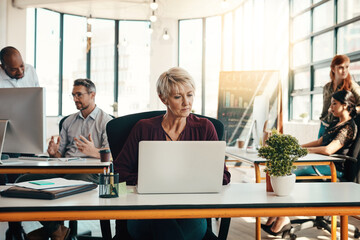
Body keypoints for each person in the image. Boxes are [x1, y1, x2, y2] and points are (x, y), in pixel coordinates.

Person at [113, 67, 231, 240]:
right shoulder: (144, 128)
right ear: (163, 98)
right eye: (178, 97)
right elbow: (119, 172)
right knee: (160, 221)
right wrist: (146, 180)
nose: (186, 103)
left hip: (190, 211)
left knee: (175, 228)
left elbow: (223, 176)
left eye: (190, 95)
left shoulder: (205, 128)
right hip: (146, 210)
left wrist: (186, 181)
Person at [14, 78, 112, 240]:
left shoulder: (106, 121)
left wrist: (93, 151)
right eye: (73, 95)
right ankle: (56, 229)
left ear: (92, 94)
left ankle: (51, 230)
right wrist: (54, 153)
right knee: (24, 180)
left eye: (79, 95)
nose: (75, 99)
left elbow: (113, 156)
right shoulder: (68, 121)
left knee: (73, 182)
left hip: (91, 172)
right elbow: (62, 155)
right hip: (65, 170)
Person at [262, 90, 357, 236]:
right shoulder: (335, 122)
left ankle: (282, 218)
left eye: (334, 104)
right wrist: (298, 146)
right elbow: (320, 141)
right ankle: (275, 216)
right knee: (282, 173)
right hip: (323, 165)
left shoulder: (349, 127)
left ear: (345, 105)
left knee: (289, 176)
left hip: (334, 168)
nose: (330, 107)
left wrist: (305, 152)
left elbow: (328, 150)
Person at [0, 46, 40, 240]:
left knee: (27, 183)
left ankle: (26, 224)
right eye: (14, 69)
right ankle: (15, 228)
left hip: (27, 134)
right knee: (7, 186)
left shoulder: (31, 71)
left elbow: (36, 101)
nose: (21, 72)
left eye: (22, 66)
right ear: (3, 66)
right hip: (4, 139)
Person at [318, 54, 360, 138]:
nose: (344, 70)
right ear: (333, 68)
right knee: (315, 150)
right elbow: (325, 109)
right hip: (324, 125)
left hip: (339, 127)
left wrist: (352, 109)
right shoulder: (327, 87)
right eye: (340, 67)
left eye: (347, 67)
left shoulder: (352, 86)